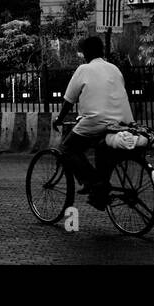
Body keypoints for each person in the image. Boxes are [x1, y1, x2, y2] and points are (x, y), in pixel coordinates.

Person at [54, 35, 135, 210]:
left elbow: (69, 100)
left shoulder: (84, 69)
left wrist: (59, 120)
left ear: (86, 52)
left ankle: (94, 182)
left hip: (97, 120)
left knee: (67, 148)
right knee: (101, 148)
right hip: (124, 121)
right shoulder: (114, 69)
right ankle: (100, 193)